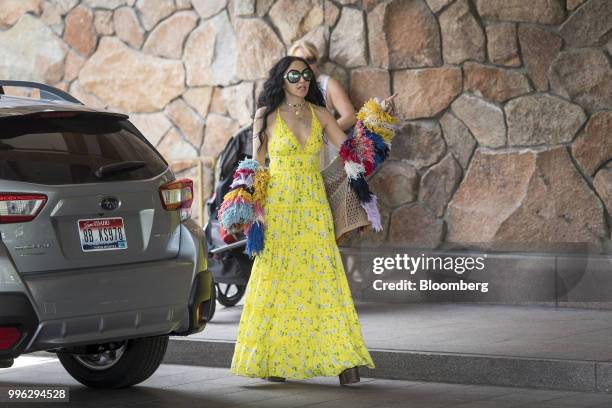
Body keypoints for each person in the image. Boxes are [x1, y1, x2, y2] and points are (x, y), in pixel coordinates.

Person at [221, 55, 398, 385]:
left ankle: (345, 363)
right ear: (281, 79)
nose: (302, 80)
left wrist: (376, 118)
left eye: (306, 75)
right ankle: (273, 360)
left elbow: (349, 151)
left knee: (324, 278)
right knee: (277, 279)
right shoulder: (266, 116)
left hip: (314, 206)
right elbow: (254, 166)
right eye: (294, 75)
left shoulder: (320, 113)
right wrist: (246, 210)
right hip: (279, 207)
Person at [288, 40, 356, 170]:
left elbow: (351, 116)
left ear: (316, 60)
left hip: (326, 151)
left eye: (310, 59)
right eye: (300, 60)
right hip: (297, 154)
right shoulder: (288, 88)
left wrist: (325, 131)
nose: (306, 64)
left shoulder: (328, 84)